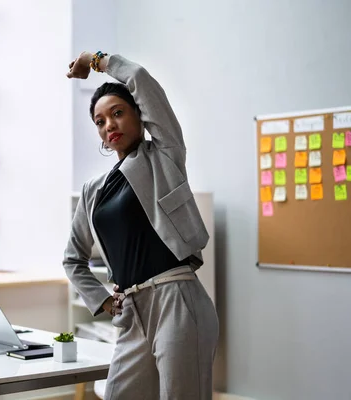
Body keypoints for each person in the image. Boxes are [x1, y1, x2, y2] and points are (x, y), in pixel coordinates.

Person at [63, 50, 219, 400]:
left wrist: (93, 60)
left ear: (140, 115)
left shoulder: (163, 157)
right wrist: (103, 301)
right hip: (131, 312)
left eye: (117, 113)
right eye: (100, 122)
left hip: (177, 302)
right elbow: (72, 259)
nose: (109, 125)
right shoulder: (93, 191)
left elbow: (141, 80)